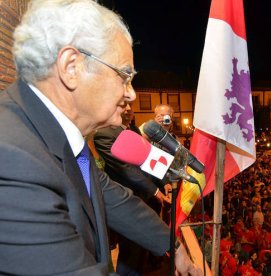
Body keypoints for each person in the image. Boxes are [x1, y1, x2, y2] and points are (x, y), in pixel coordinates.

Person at [0, 1, 200, 275]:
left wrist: (172, 246)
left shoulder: (56, 136)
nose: (130, 94)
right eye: (124, 76)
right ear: (72, 67)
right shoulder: (11, 159)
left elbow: (109, 197)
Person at [94, 103, 171, 275]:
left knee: (140, 251)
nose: (128, 108)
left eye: (130, 105)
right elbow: (127, 170)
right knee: (130, 254)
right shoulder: (104, 136)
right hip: (126, 204)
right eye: (123, 104)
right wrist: (156, 191)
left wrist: (164, 182)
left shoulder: (134, 130)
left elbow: (150, 159)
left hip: (146, 201)